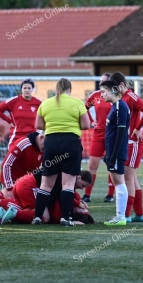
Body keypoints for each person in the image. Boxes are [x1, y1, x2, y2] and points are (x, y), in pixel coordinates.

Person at [33, 78, 90, 225]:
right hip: (71, 143)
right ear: (69, 90)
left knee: (46, 184)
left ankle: (37, 217)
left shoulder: (45, 103)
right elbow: (86, 125)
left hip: (51, 142)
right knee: (68, 184)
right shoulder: (77, 103)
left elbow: (38, 124)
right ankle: (66, 218)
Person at [111, 72, 143, 223]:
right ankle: (139, 214)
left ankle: (126, 215)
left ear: (121, 85)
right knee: (133, 180)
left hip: (133, 143)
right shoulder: (122, 99)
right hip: (127, 143)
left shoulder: (131, 97)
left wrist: (137, 127)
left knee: (128, 179)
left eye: (115, 88)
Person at [100, 80, 130, 226]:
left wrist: (113, 154)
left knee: (119, 183)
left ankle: (121, 217)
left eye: (103, 92)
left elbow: (121, 131)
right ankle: (120, 216)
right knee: (118, 182)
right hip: (112, 151)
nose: (101, 95)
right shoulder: (115, 106)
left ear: (112, 90)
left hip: (116, 152)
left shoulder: (120, 105)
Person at [83, 73, 116, 203]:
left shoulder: (115, 96)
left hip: (112, 134)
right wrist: (91, 121)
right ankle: (87, 194)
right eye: (100, 81)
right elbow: (84, 108)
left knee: (111, 165)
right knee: (92, 165)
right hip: (98, 133)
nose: (101, 83)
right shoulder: (96, 95)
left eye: (104, 81)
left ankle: (110, 194)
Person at [0, 78, 42, 150]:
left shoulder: (38, 102)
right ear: (21, 89)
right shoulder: (13, 101)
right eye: (24, 88)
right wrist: (9, 121)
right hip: (17, 136)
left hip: (32, 137)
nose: (27, 90)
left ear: (32, 89)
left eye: (29, 88)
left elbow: (46, 114)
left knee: (31, 160)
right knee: (14, 159)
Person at [0, 131, 44, 196]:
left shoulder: (43, 148)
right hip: (12, 182)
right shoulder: (23, 144)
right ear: (41, 137)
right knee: (11, 203)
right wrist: (9, 188)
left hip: (25, 183)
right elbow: (6, 165)